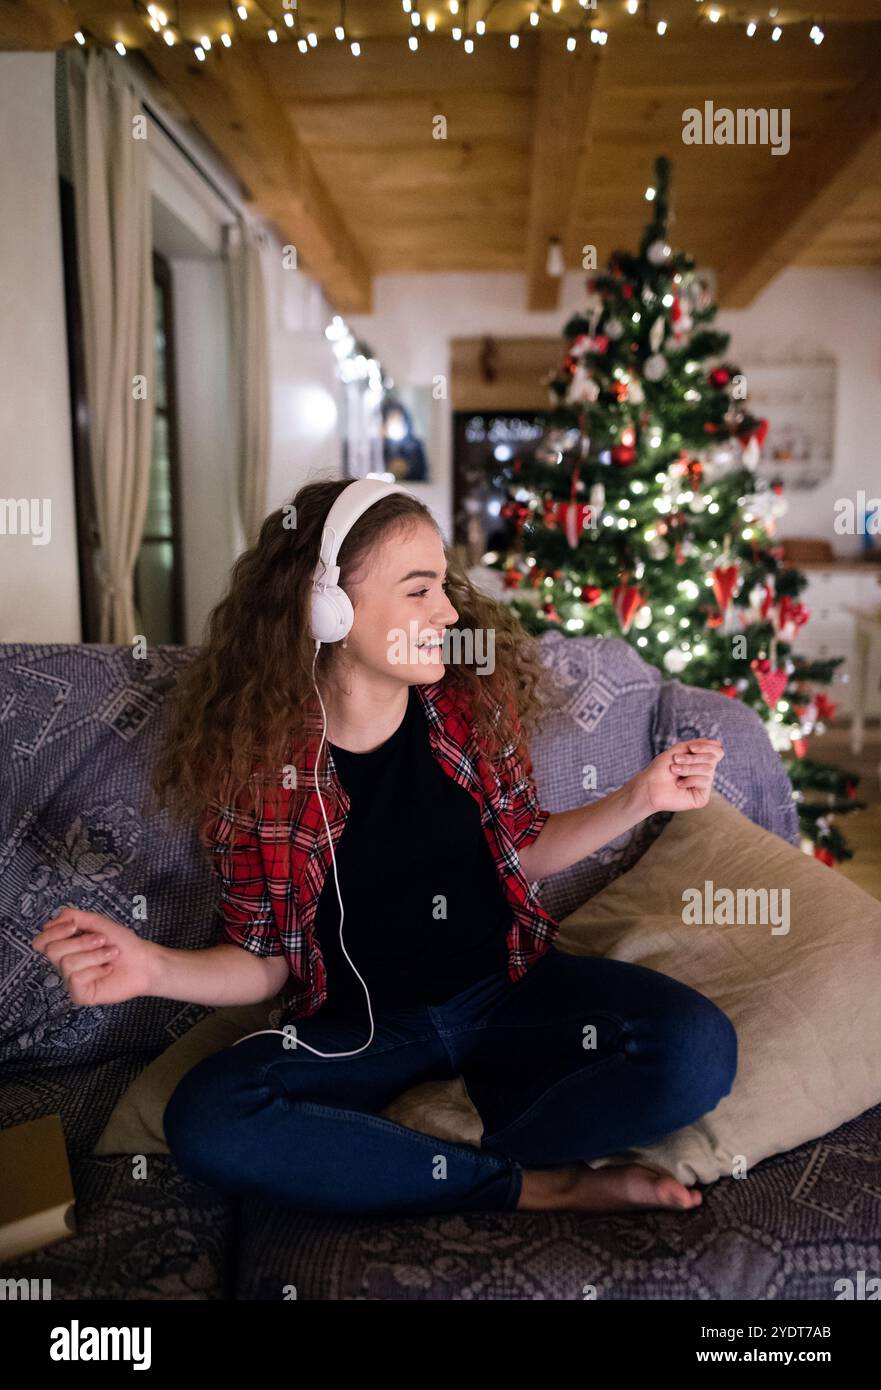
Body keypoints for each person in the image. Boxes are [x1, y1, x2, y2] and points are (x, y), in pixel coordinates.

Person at [32, 475, 734, 1218]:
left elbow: (522, 851)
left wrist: (641, 798)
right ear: (325, 606)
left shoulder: (468, 710)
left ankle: (405, 1156)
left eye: (442, 587)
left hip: (510, 994)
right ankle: (524, 1185)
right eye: (418, 590)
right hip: (359, 1034)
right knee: (208, 1119)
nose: (449, 611)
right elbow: (264, 963)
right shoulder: (252, 765)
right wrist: (148, 966)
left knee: (693, 1049)